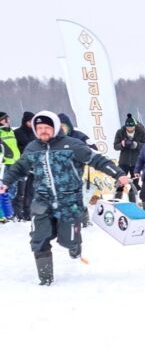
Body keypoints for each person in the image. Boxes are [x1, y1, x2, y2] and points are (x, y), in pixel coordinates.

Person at [0, 112, 128, 285]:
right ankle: (46, 279)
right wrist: (5, 182)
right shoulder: (32, 148)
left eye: (47, 127)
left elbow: (97, 160)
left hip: (69, 201)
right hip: (42, 201)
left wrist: (118, 174)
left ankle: (74, 245)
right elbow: (19, 167)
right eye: (39, 128)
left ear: (55, 127)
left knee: (68, 240)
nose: (43, 131)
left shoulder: (73, 145)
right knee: (39, 238)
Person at [113, 113, 145, 202]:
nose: (130, 129)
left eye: (132, 127)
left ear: (134, 126)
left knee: (134, 184)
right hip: (123, 161)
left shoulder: (141, 132)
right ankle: (116, 201)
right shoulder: (120, 132)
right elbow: (115, 146)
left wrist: (136, 144)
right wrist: (122, 144)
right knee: (120, 182)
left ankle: (133, 203)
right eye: (128, 127)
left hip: (136, 162)